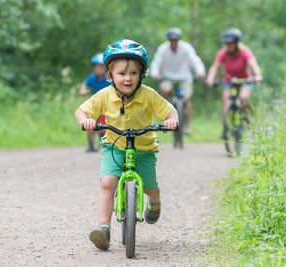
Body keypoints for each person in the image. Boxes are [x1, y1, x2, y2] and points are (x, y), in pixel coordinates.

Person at [75, 39, 179, 251]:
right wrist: (85, 121)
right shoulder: (105, 95)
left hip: (144, 149)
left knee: (150, 187)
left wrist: (171, 121)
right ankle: (103, 228)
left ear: (142, 74)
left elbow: (170, 111)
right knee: (107, 183)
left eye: (133, 73)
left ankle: (155, 202)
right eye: (121, 73)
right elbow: (81, 110)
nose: (128, 78)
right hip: (114, 146)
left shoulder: (149, 95)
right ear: (110, 75)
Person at [150, 27, 205, 135]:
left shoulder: (186, 48)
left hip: (184, 77)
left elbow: (195, 60)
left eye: (175, 40)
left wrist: (200, 71)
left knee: (186, 100)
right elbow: (156, 62)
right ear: (169, 40)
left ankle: (188, 126)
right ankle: (165, 119)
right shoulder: (163, 49)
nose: (173, 42)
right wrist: (155, 73)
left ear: (178, 40)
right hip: (167, 77)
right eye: (171, 40)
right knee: (165, 91)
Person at [205, 28, 263, 118]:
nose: (228, 45)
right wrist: (210, 78)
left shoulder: (244, 52)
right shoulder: (223, 53)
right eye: (227, 43)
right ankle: (226, 126)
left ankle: (245, 118)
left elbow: (253, 64)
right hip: (229, 80)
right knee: (225, 99)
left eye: (231, 43)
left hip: (245, 80)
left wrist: (258, 75)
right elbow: (215, 67)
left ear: (236, 43)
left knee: (243, 97)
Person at [80, 53, 110, 152]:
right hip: (94, 105)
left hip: (106, 106)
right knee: (90, 124)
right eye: (96, 67)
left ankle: (103, 143)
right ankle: (91, 145)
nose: (98, 69)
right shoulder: (92, 78)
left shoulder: (108, 79)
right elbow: (84, 84)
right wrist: (83, 90)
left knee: (102, 126)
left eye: (101, 67)